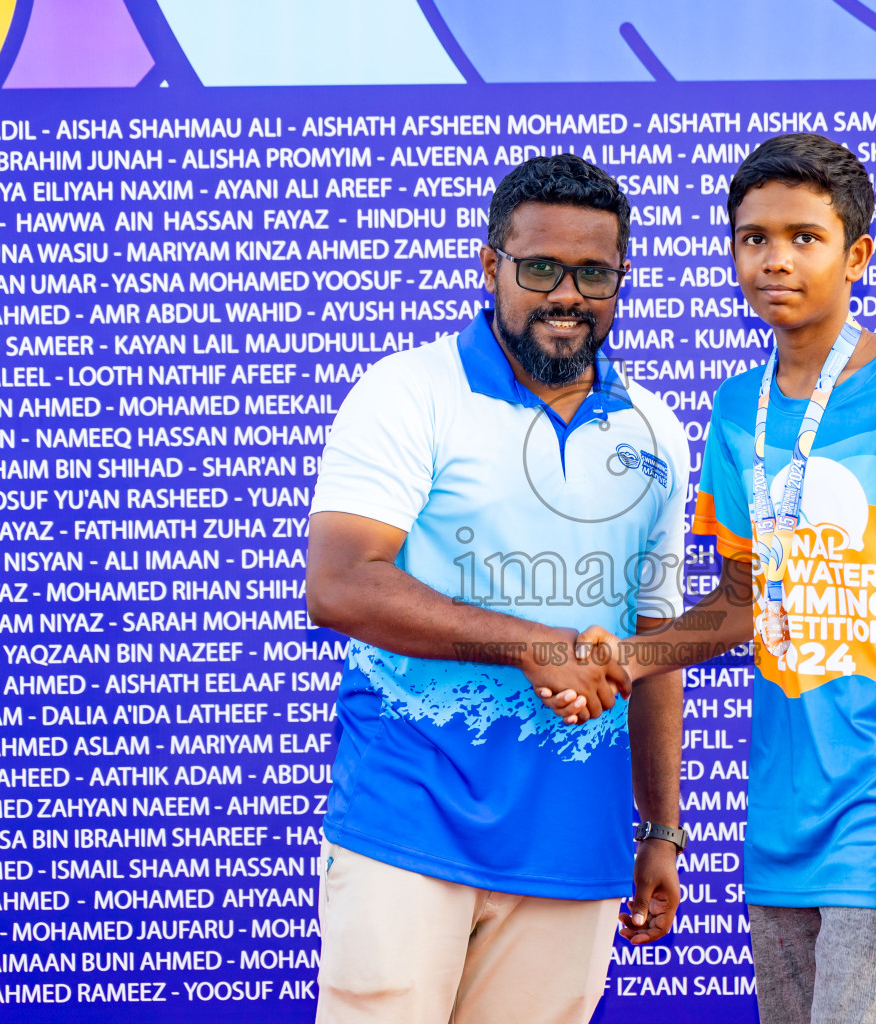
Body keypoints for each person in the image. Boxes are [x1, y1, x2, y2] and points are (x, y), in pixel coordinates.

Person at [584, 133, 876, 1024]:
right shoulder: (736, 407)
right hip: (781, 830)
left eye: (804, 237)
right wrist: (625, 658)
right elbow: (746, 601)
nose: (775, 258)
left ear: (856, 254)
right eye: (753, 238)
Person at [304, 153, 690, 1024]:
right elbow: (338, 585)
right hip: (408, 817)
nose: (567, 294)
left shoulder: (655, 429)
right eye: (541, 267)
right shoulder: (409, 391)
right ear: (491, 267)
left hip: (573, 841)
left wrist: (661, 828)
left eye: (595, 273)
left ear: (621, 278)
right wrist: (527, 643)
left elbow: (657, 643)